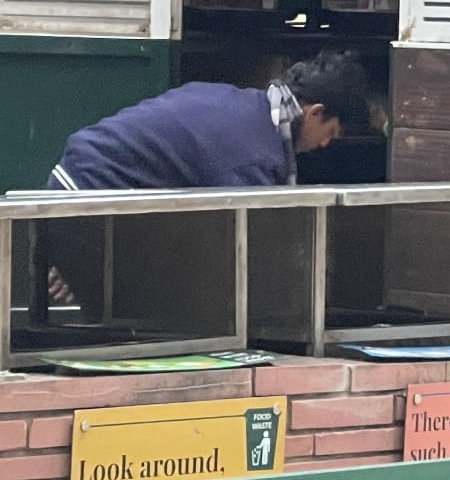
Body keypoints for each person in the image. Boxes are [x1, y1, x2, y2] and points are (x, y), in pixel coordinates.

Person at [40, 50, 375, 318]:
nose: (324, 144)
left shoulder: (240, 104)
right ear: (315, 112)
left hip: (76, 189)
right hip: (92, 201)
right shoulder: (256, 155)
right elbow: (250, 250)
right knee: (148, 323)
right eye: (330, 133)